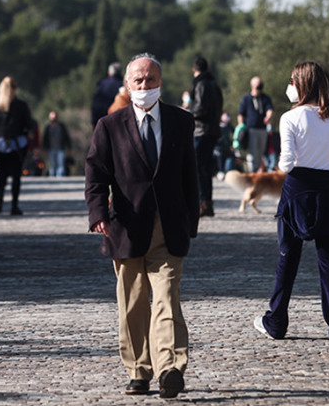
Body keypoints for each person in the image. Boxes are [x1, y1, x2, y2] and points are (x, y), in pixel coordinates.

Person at [85, 53, 198, 399]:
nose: (144, 85)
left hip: (169, 226)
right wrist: (97, 213)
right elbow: (95, 173)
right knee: (132, 304)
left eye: (151, 79)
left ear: (160, 83)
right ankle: (138, 370)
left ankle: (169, 369)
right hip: (126, 226)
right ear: (127, 84)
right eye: (138, 80)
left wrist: (191, 220)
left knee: (166, 299)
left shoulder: (181, 121)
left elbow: (190, 174)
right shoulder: (109, 126)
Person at [253, 61, 329, 344]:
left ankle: (276, 322)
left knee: (287, 257)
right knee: (328, 259)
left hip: (297, 191)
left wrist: (301, 158)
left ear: (301, 84)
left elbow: (286, 164)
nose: (289, 86)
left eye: (292, 81)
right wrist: (327, 161)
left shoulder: (290, 118)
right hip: (327, 191)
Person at [0, 76, 33, 215]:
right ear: (15, 88)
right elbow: (28, 125)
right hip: (17, 144)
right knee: (16, 176)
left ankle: (0, 197)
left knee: (2, 173)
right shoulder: (21, 105)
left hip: (1, 144)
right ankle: (14, 205)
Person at [189, 56, 223, 216]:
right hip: (213, 130)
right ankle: (207, 203)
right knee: (206, 169)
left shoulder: (201, 84)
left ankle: (202, 203)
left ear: (194, 70)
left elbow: (201, 109)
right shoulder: (214, 84)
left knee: (198, 169)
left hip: (201, 131)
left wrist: (186, 112)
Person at [237, 76, 273, 172]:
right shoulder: (246, 99)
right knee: (252, 153)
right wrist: (241, 128)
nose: (260, 87)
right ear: (252, 85)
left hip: (262, 129)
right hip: (251, 130)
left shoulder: (265, 98)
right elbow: (241, 114)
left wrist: (268, 117)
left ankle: (258, 173)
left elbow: (269, 109)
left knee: (261, 152)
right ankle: (252, 172)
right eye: (258, 85)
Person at [91, 62, 124, 126]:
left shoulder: (102, 84)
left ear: (109, 73)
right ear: (121, 72)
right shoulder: (124, 85)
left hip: (102, 121)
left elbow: (95, 104)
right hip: (119, 122)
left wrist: (94, 121)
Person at [43, 111, 71, 177]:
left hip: (60, 149)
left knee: (60, 165)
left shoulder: (61, 127)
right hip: (51, 149)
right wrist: (44, 149)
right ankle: (52, 179)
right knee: (52, 166)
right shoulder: (48, 128)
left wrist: (69, 148)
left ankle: (59, 179)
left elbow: (66, 137)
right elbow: (45, 139)